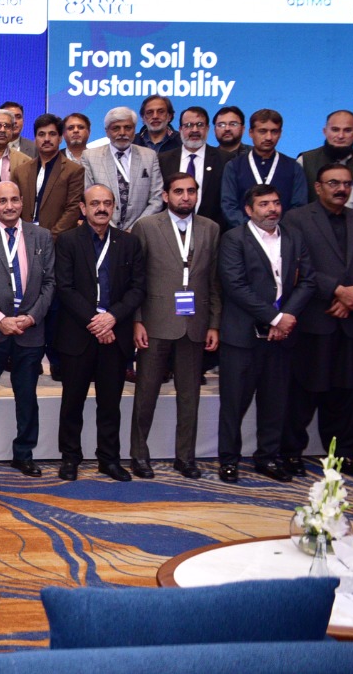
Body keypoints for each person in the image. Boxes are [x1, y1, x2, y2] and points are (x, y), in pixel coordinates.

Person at [279, 163, 353, 478]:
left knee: (346, 393)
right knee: (302, 392)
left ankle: (342, 457)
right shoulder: (296, 218)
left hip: (350, 322)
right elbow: (294, 266)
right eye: (333, 183)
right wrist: (336, 290)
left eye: (347, 184)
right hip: (313, 320)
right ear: (318, 187)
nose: (341, 189)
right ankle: (291, 454)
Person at [216, 183, 315, 484]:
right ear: (249, 210)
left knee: (275, 402)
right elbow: (235, 286)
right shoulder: (233, 239)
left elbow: (308, 281)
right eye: (264, 204)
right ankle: (229, 460)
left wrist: (286, 317)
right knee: (234, 404)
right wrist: (275, 318)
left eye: (276, 203)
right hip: (242, 338)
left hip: (281, 338)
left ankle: (267, 457)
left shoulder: (294, 237)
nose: (272, 209)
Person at [131, 172, 222, 479]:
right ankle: (139, 455)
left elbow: (214, 282)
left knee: (189, 396)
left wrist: (214, 324)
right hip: (155, 322)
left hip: (195, 324)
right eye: (179, 191)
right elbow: (136, 280)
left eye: (191, 191)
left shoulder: (210, 228)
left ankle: (186, 457)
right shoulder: (146, 226)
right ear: (166, 195)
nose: (186, 197)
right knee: (146, 394)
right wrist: (137, 320)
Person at [53, 184, 145, 482]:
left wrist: (112, 317)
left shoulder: (129, 243)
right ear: (83, 208)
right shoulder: (68, 241)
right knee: (72, 403)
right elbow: (64, 287)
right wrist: (96, 321)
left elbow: (138, 288)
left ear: (114, 206)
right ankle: (70, 458)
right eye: (95, 203)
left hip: (115, 335)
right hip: (78, 335)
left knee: (110, 404)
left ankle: (109, 459)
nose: (101, 208)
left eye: (107, 203)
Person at [0, 181, 55, 478]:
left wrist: (31, 317)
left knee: (27, 398)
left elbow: (50, 283)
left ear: (22, 202)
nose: (9, 206)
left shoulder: (42, 236)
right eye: (2, 201)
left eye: (14, 199)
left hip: (30, 331)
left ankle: (24, 455)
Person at [298, 110, 353, 233]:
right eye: (335, 130)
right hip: (314, 235)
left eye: (347, 130)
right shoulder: (305, 160)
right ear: (325, 131)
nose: (340, 136)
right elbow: (298, 207)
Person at [221, 109, 307, 227]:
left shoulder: (293, 167)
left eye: (274, 131)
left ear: (280, 133)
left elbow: (299, 206)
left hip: (284, 234)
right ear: (251, 133)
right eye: (262, 131)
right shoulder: (233, 166)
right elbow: (229, 206)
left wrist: (277, 230)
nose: (269, 137)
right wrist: (253, 229)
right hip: (244, 234)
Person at [82, 106, 163, 231]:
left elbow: (156, 199)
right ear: (107, 131)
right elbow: (88, 198)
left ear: (134, 130)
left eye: (127, 128)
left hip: (139, 232)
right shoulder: (90, 156)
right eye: (116, 128)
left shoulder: (149, 156)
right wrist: (112, 230)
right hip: (102, 231)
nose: (122, 133)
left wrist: (136, 228)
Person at [158, 106, 231, 231]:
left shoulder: (225, 160)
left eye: (200, 125)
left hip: (212, 232)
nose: (195, 130)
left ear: (207, 128)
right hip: (168, 232)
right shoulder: (163, 160)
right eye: (188, 125)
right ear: (180, 129)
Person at [14, 113, 84, 236]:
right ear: (35, 139)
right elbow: (14, 205)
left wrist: (51, 237)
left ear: (60, 138)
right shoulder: (21, 171)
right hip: (23, 237)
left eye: (52, 134)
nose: (46, 139)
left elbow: (73, 210)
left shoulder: (74, 170)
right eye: (41, 134)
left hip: (59, 240)